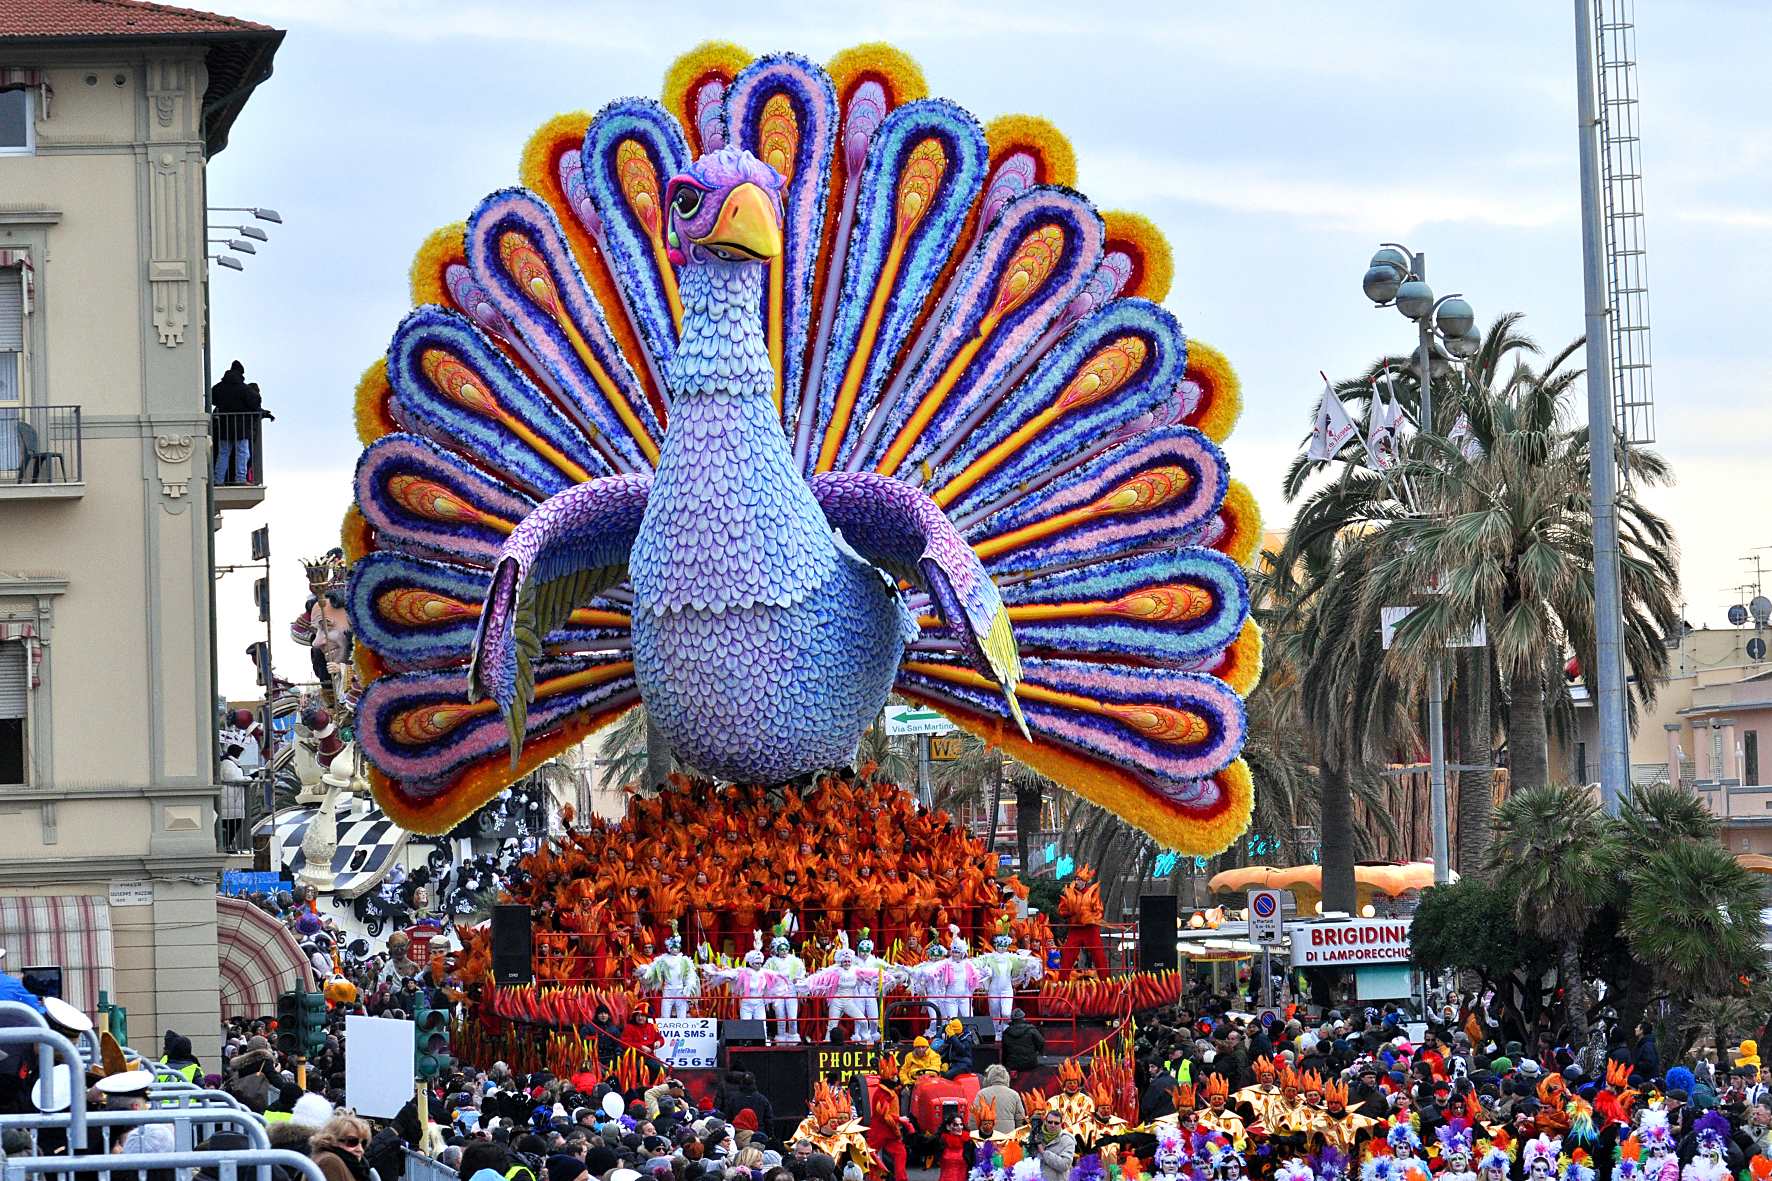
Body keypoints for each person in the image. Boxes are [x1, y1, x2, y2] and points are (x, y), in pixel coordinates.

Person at [311, 1113, 375, 1181]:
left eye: (363, 1143)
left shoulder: (356, 1166)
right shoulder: (330, 1161)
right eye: (352, 1141)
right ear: (331, 1140)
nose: (360, 1149)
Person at [1020, 1108, 1074, 1181]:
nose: (1052, 1125)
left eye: (1056, 1123)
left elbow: (1064, 1165)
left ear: (1061, 1124)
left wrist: (1043, 1152)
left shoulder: (1067, 1140)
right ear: (1045, 1122)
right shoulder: (1036, 1136)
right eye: (1050, 1122)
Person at [974, 1064, 1027, 1134]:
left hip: (987, 1136)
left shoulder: (981, 1094)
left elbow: (974, 1119)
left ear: (989, 1078)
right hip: (1008, 1136)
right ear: (1007, 1078)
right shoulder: (1014, 1094)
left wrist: (977, 1135)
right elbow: (1020, 1120)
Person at [1000, 1009, 1044, 1080]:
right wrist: (1036, 1052)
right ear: (1023, 1018)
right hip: (1031, 1063)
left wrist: (1005, 1064)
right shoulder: (1031, 1029)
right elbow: (1041, 1041)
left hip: (1012, 1064)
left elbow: (1005, 1051)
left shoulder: (1006, 1032)